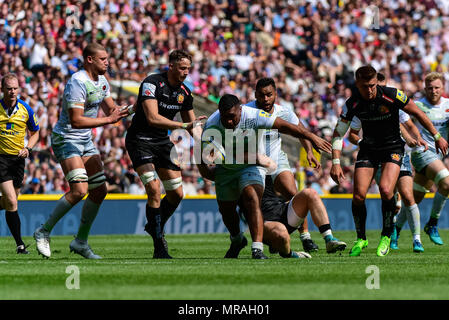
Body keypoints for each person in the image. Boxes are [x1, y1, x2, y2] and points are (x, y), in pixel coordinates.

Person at [330, 65, 447, 257]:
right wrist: (335, 162)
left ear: (377, 82)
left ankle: (386, 235)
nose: (369, 90)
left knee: (386, 190)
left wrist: (436, 136)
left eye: (372, 85)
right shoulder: (352, 104)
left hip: (392, 148)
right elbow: (338, 133)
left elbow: (417, 112)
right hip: (368, 149)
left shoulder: (392, 95)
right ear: (357, 85)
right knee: (358, 195)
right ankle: (361, 238)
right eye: (364, 86)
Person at [199, 94, 331, 259]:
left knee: (251, 195)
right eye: (225, 118)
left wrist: (311, 136)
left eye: (232, 117)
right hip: (227, 168)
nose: (229, 122)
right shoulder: (212, 126)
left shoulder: (253, 115)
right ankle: (237, 239)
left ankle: (257, 248)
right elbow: (206, 162)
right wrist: (213, 174)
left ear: (240, 110)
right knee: (226, 210)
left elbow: (285, 126)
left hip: (252, 166)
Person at [33, 43, 129, 259]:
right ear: (90, 60)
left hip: (85, 141)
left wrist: (129, 110)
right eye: (103, 59)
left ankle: (80, 242)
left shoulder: (102, 81)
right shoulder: (78, 81)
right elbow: (76, 121)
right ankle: (43, 230)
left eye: (107, 58)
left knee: (99, 191)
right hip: (66, 138)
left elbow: (111, 110)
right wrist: (108, 120)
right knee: (79, 190)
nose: (107, 62)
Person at [125, 49, 206, 259]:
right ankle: (159, 244)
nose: (186, 72)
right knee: (153, 188)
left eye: (188, 68)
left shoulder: (185, 93)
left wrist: (205, 144)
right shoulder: (152, 83)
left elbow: (193, 125)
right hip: (140, 139)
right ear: (171, 66)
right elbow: (152, 118)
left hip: (162, 142)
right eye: (182, 68)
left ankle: (154, 224)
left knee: (177, 194)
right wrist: (183, 124)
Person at [199, 154, 346, 258]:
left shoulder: (255, 157)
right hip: (263, 223)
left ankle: (329, 240)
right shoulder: (226, 172)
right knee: (281, 233)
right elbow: (207, 172)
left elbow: (273, 165)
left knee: (310, 193)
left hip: (281, 209)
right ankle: (289, 253)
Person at [243, 77, 320, 253]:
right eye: (261, 95)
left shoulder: (283, 112)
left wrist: (308, 151)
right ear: (255, 95)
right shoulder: (247, 111)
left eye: (269, 95)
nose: (266, 99)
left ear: (276, 94)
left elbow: (301, 131)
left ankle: (305, 237)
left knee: (294, 194)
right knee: (256, 204)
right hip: (256, 164)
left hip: (277, 161)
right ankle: (271, 239)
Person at [349, 108, 426, 252]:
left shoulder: (394, 102)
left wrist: (415, 138)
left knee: (408, 196)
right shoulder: (364, 106)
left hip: (399, 155)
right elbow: (352, 134)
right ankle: (391, 230)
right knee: (388, 195)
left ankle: (417, 239)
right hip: (377, 158)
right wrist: (362, 142)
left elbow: (407, 124)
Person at [0, 73, 40, 254]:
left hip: (18, 159)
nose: (12, 91)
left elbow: (36, 132)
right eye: (9, 88)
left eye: (15, 88)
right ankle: (20, 244)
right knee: (11, 201)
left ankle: (19, 244)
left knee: (11, 201)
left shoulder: (26, 109)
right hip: (1, 159)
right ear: (2, 89)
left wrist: (28, 149)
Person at [410, 72, 449, 245]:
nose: (433, 91)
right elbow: (402, 122)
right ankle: (432, 224)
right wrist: (410, 139)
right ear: (425, 89)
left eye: (437, 88)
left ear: (443, 88)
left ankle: (394, 230)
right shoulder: (417, 105)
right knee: (447, 183)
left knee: (415, 197)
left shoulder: (448, 106)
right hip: (421, 153)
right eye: (430, 88)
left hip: (438, 157)